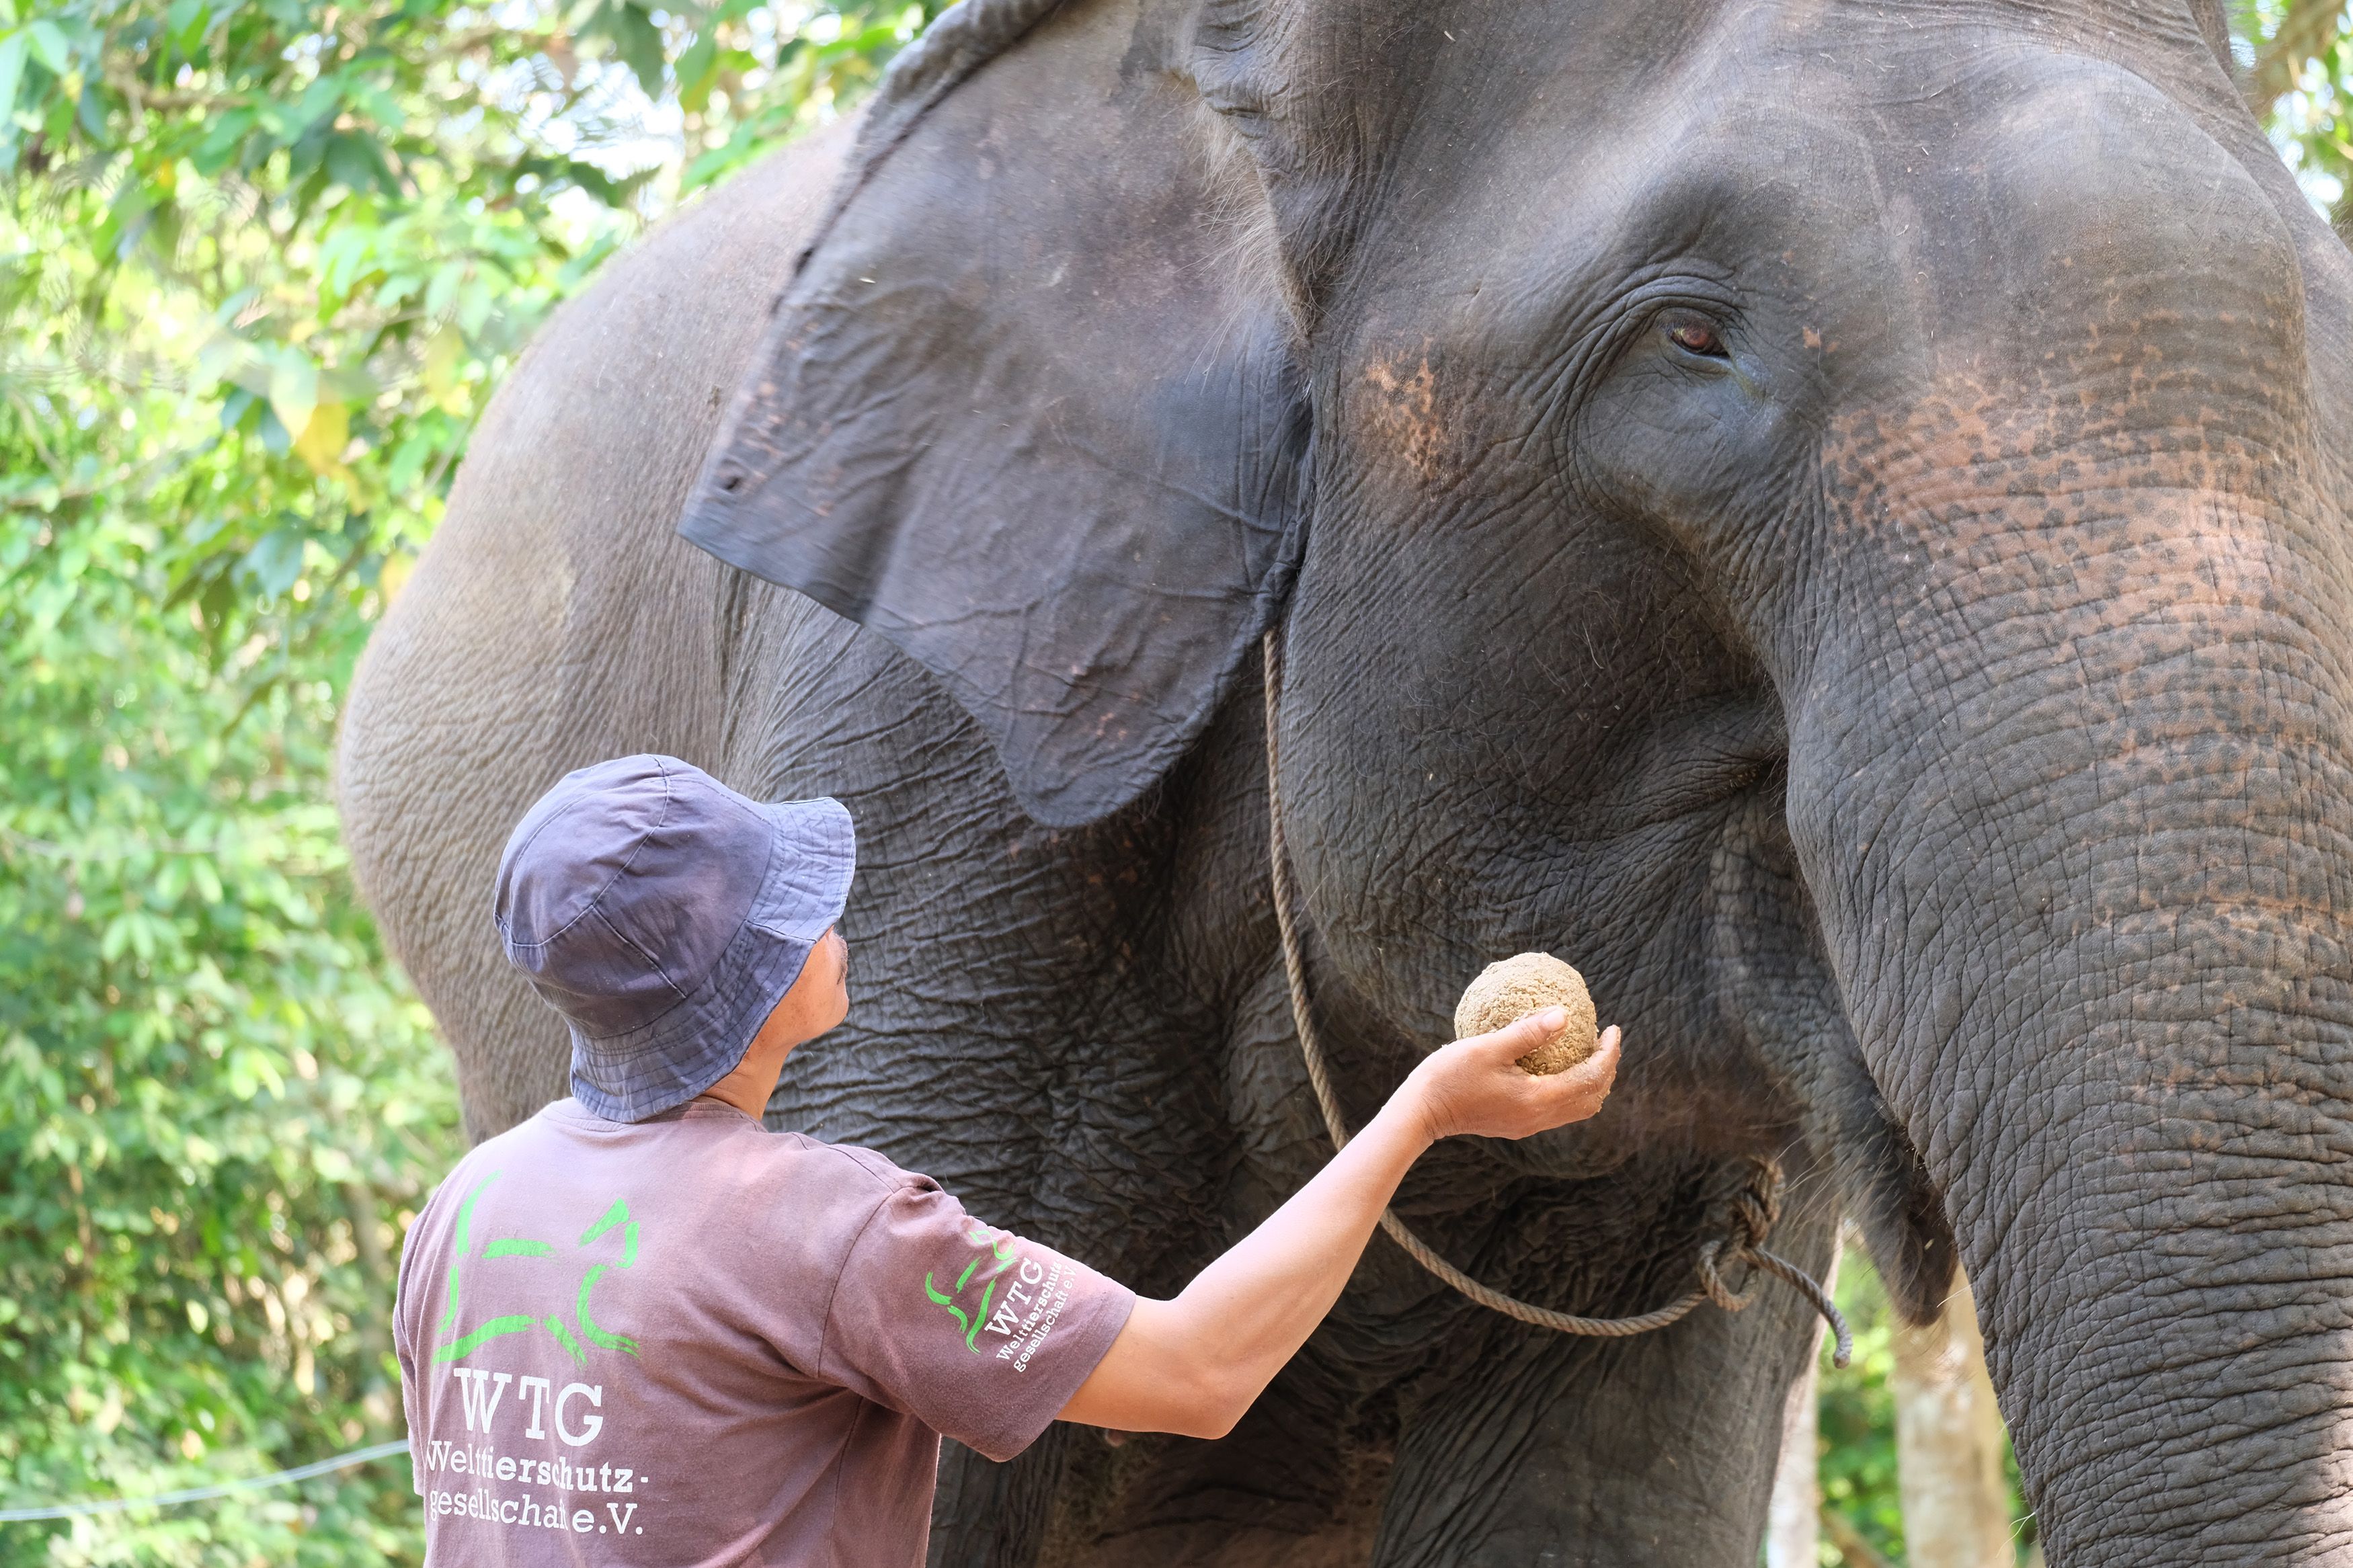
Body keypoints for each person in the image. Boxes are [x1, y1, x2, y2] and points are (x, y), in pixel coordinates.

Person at [393, 755, 1621, 1567]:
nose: (831, 913)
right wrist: (1418, 1115)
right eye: (792, 904)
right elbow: (1198, 1370)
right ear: (749, 977)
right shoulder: (828, 1231)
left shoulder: (468, 1204)